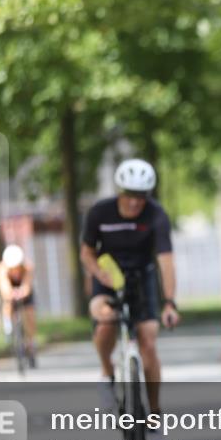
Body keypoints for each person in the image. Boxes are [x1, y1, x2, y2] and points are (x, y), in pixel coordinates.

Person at [80, 158, 180, 420]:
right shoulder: (99, 213)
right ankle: (107, 372)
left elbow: (166, 262)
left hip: (142, 276)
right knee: (104, 319)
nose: (135, 202)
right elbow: (87, 253)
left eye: (141, 196)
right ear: (119, 191)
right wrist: (98, 273)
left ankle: (155, 411)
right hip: (108, 275)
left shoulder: (156, 216)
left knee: (148, 341)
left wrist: (169, 302)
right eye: (129, 195)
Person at [0, 244, 37, 366]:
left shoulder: (28, 267)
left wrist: (23, 291)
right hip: (11, 289)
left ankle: (31, 343)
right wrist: (10, 294)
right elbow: (4, 288)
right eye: (13, 268)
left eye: (17, 267)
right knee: (8, 305)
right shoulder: (1, 269)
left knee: (29, 315)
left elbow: (27, 285)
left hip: (24, 292)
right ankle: (8, 326)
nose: (16, 271)